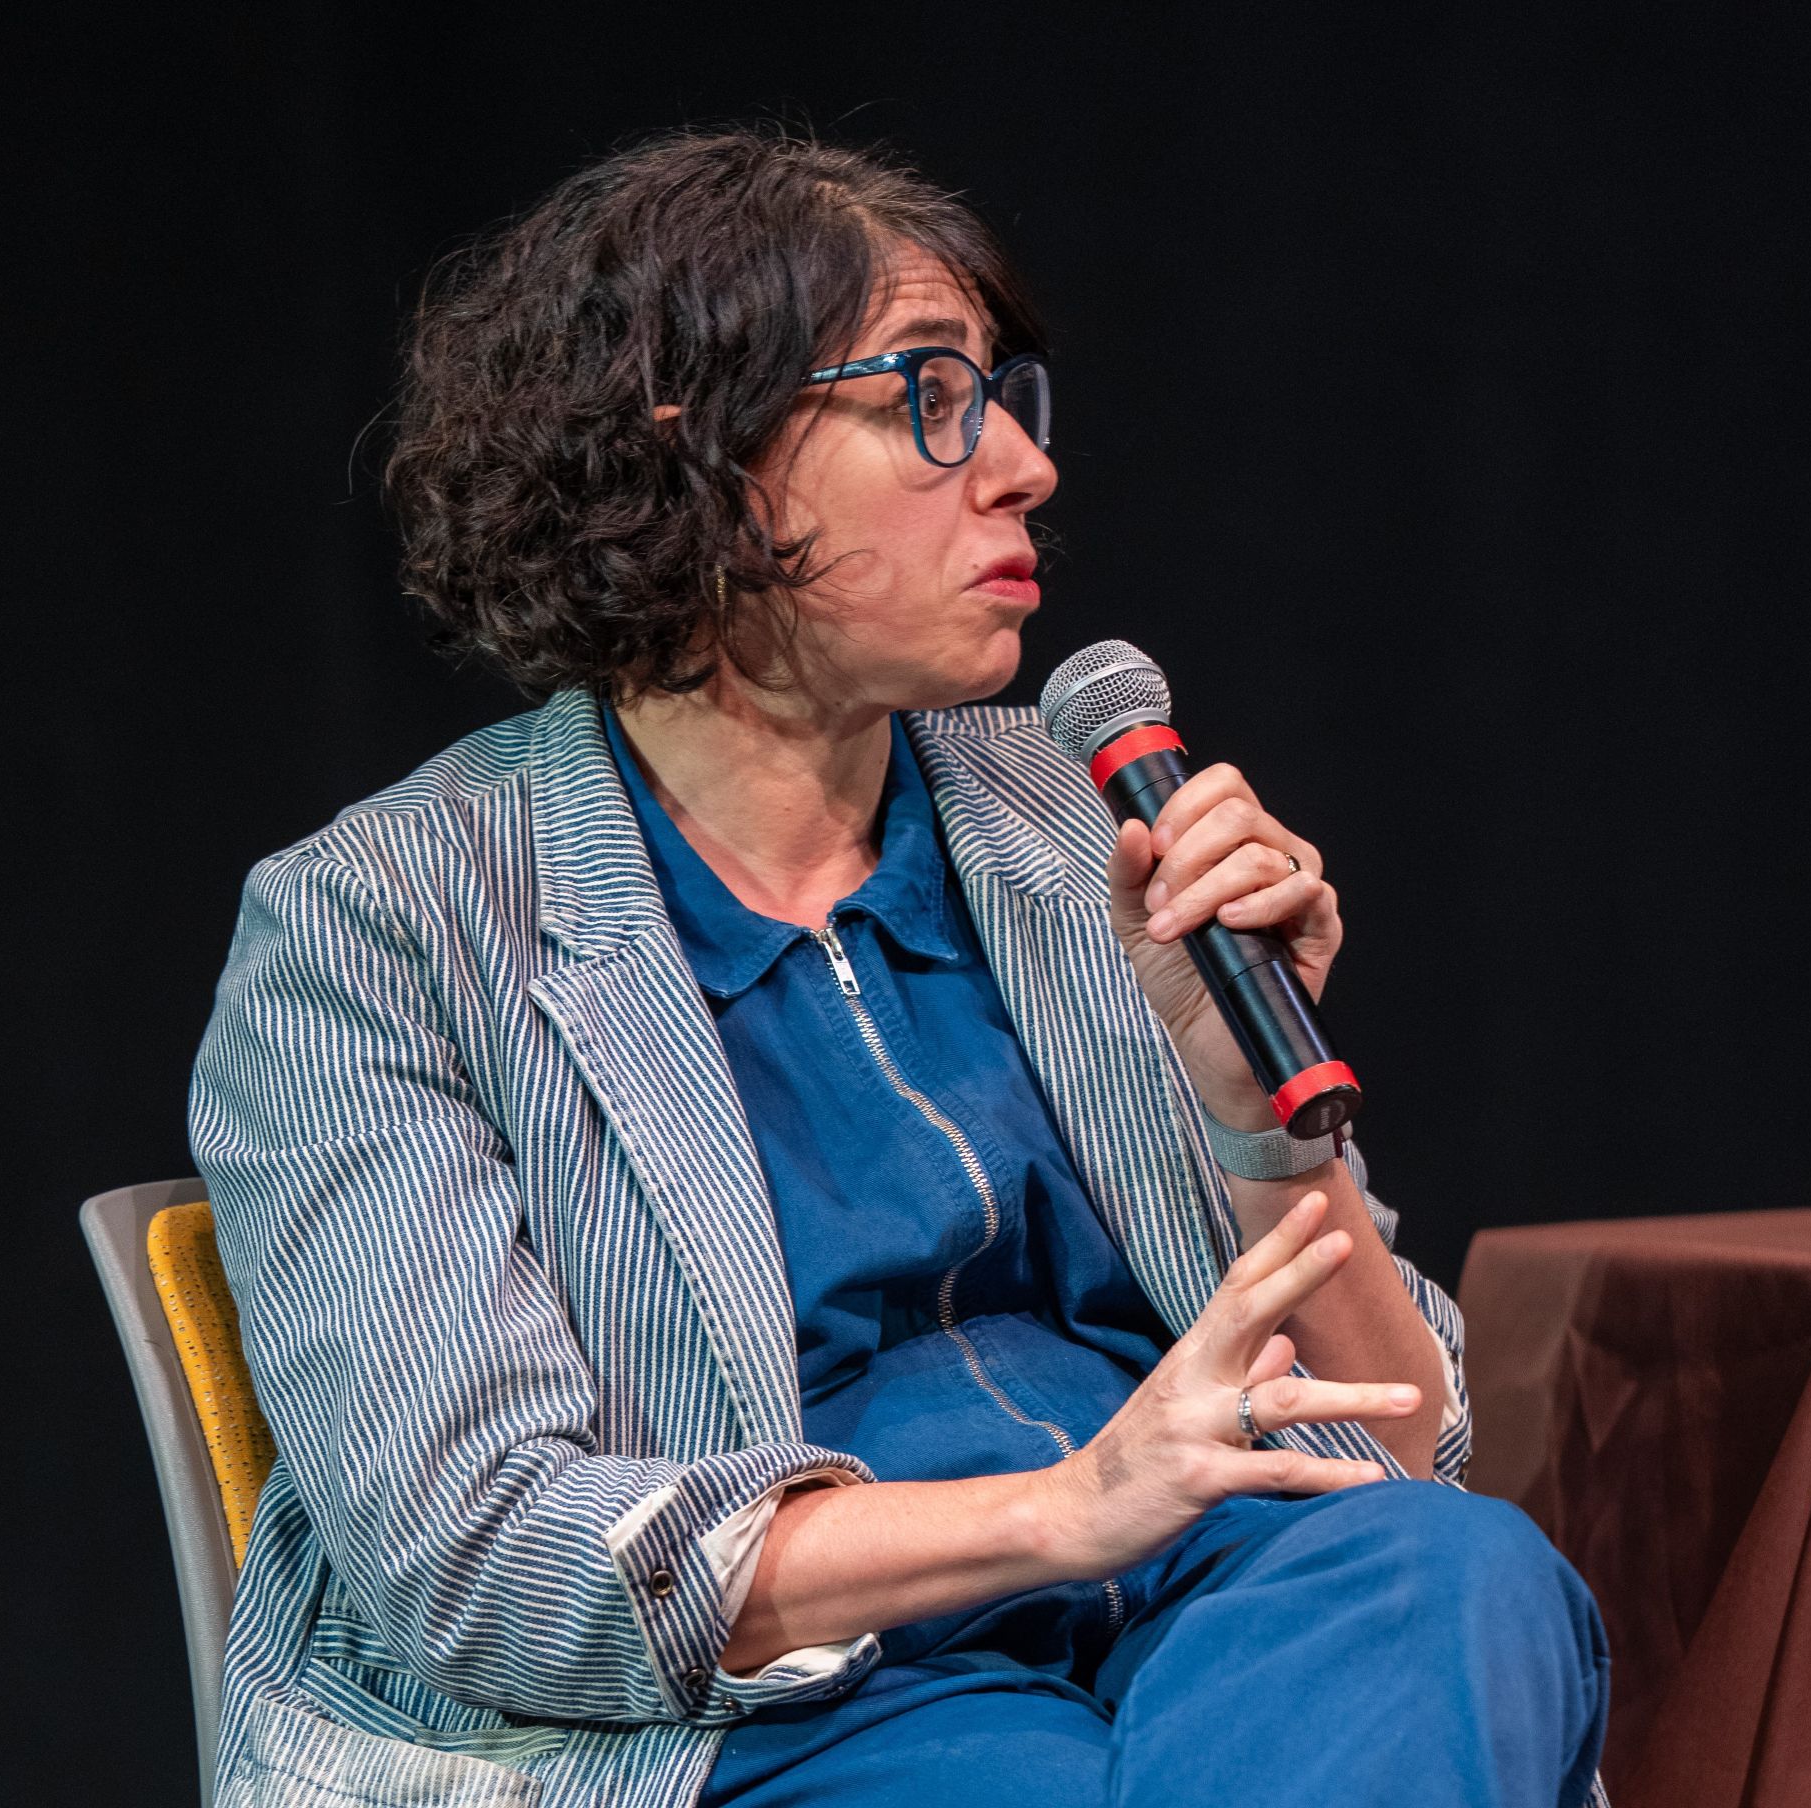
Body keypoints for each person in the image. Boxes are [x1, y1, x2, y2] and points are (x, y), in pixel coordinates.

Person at [189, 129, 1609, 1808]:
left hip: (1187, 1596)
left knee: (1458, 1576)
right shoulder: (387, 927)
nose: (1018, 467)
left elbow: (1395, 1439)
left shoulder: (1061, 823)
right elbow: (482, 1558)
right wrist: (1063, 1506)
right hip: (776, 1699)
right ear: (698, 452)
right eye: (930, 396)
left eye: (1006, 398)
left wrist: (1264, 1139)